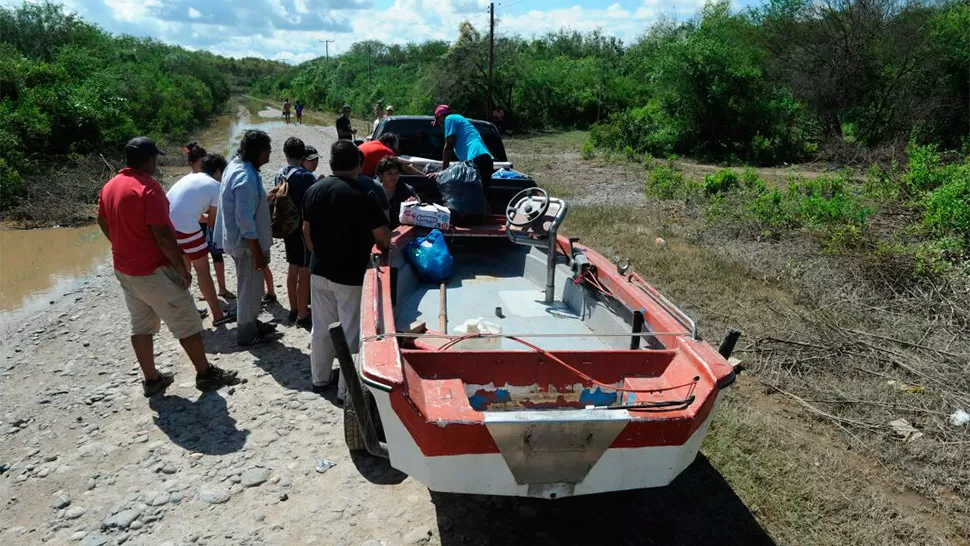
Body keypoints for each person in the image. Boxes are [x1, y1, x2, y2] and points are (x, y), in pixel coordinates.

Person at [97, 136, 241, 397]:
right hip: (153, 270)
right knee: (187, 321)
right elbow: (164, 235)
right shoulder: (147, 189)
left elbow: (103, 222)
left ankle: (152, 380)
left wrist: (122, 245)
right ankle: (205, 374)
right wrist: (181, 268)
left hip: (125, 269)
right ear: (150, 160)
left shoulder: (110, 186)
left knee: (141, 325)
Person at [303, 140, 391, 401]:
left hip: (319, 270)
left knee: (320, 328)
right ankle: (345, 391)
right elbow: (383, 238)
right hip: (351, 274)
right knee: (351, 331)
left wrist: (318, 254)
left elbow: (306, 232)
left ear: (331, 163)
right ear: (359, 165)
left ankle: (319, 378)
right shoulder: (365, 194)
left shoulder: (314, 189)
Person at [214, 130, 278, 346]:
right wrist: (258, 254)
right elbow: (245, 223)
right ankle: (247, 334)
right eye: (268, 151)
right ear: (260, 153)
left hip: (240, 242)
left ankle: (251, 322)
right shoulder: (245, 178)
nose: (270, 155)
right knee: (249, 289)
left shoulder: (238, 166)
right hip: (247, 246)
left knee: (249, 287)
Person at [167, 153, 235, 327]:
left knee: (183, 269)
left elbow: (194, 213)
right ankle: (218, 316)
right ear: (219, 171)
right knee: (203, 272)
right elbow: (212, 222)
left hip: (166, 228)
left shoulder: (191, 178)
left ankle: (186, 312)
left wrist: (203, 216)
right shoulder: (215, 187)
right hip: (187, 229)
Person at [274, 137, 316, 328]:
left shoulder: (280, 173)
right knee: (304, 271)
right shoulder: (305, 176)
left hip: (287, 228)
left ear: (285, 153)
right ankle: (302, 314)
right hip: (302, 230)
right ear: (302, 155)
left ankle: (293, 309)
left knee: (292, 268)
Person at [186, 143, 234, 301]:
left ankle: (222, 288)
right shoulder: (190, 181)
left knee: (217, 256)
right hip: (198, 222)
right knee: (199, 258)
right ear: (191, 164)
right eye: (199, 163)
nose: (202, 166)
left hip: (210, 219)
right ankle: (203, 290)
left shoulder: (210, 179)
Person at [432, 105, 494, 189]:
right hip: (486, 159)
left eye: (438, 122)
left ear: (441, 116)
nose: (440, 125)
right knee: (481, 196)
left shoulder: (449, 119)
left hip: (476, 159)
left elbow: (448, 147)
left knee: (472, 195)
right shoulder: (460, 119)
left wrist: (442, 172)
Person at [375, 156, 419, 229]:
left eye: (396, 173)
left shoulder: (407, 190)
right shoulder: (373, 190)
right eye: (389, 174)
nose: (394, 177)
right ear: (380, 175)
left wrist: (413, 205)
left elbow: (419, 212)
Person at [358, 133, 426, 178]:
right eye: (394, 149)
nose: (393, 152)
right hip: (361, 179)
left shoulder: (372, 144)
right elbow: (405, 168)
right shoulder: (386, 150)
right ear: (388, 144)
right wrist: (424, 176)